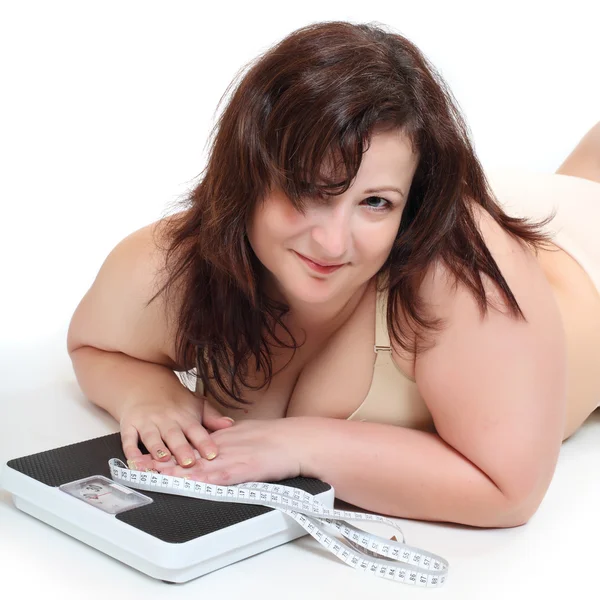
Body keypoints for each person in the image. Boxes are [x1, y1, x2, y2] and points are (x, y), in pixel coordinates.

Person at [66, 20, 600, 529]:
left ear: (410, 205)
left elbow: (509, 493)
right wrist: (145, 393)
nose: (332, 242)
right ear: (248, 171)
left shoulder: (461, 275)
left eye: (374, 203)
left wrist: (299, 445)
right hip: (523, 211)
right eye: (309, 190)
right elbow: (94, 346)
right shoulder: (171, 263)